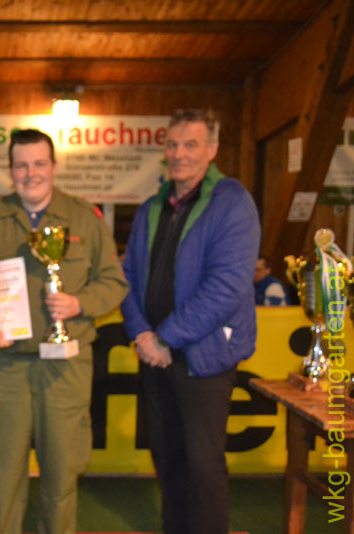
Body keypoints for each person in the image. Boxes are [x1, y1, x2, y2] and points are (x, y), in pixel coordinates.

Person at [0, 129, 128, 534]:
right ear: (10, 170)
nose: (30, 173)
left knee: (62, 475)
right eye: (21, 165)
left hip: (65, 369)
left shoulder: (84, 218)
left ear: (54, 166)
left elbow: (114, 282)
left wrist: (80, 303)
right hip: (5, 367)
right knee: (3, 478)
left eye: (39, 164)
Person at [120, 109, 260, 534]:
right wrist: (141, 333)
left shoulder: (232, 203)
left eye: (191, 144)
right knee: (167, 460)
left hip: (203, 357)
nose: (179, 154)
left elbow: (227, 286)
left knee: (202, 466)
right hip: (156, 356)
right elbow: (126, 278)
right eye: (173, 144)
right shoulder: (151, 207)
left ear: (212, 150)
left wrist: (165, 338)